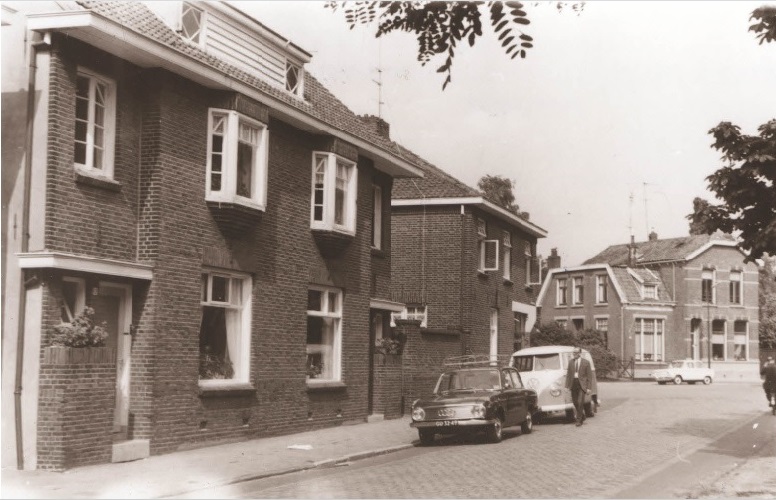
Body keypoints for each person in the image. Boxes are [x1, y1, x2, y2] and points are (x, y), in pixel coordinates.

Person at [565, 347, 593, 427]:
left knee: (580, 402)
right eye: (573, 352)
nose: (574, 354)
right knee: (575, 402)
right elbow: (568, 375)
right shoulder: (571, 362)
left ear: (580, 353)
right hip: (573, 384)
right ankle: (582, 416)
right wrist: (566, 386)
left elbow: (589, 376)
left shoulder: (586, 362)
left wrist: (589, 388)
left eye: (576, 353)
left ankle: (578, 420)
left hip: (582, 385)